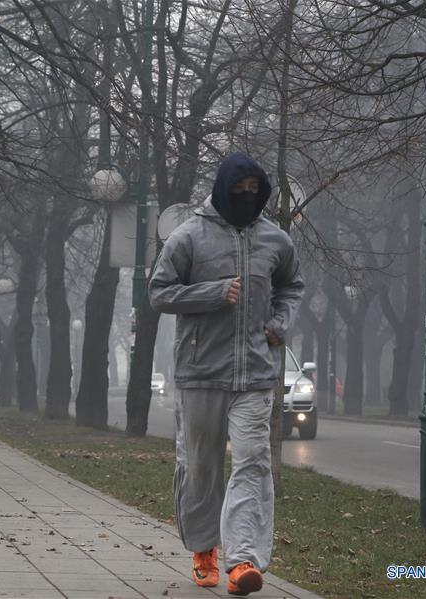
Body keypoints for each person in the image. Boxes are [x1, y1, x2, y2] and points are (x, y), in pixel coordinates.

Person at [148, 152, 304, 596]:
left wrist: (280, 323)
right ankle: (203, 551)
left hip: (255, 372)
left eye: (255, 192)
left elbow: (292, 285)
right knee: (201, 468)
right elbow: (159, 292)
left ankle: (243, 562)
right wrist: (214, 293)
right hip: (200, 372)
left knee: (253, 463)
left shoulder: (275, 239)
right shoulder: (189, 237)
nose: (247, 198)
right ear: (222, 189)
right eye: (239, 191)